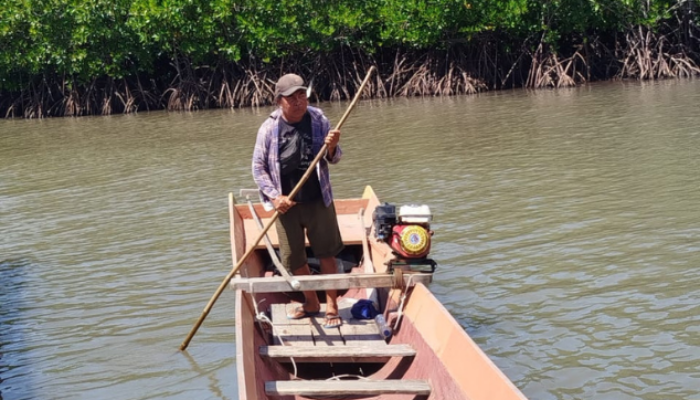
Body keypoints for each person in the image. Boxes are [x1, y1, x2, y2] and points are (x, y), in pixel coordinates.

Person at [252, 73, 345, 328]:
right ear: (279, 101)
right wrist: (274, 196)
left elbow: (334, 159)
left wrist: (332, 147)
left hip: (318, 200)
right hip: (286, 204)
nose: (298, 101)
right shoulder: (269, 128)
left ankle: (333, 306)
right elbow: (258, 168)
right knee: (294, 258)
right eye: (291, 97)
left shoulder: (318, 119)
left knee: (327, 253)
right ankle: (311, 301)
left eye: (302, 95)